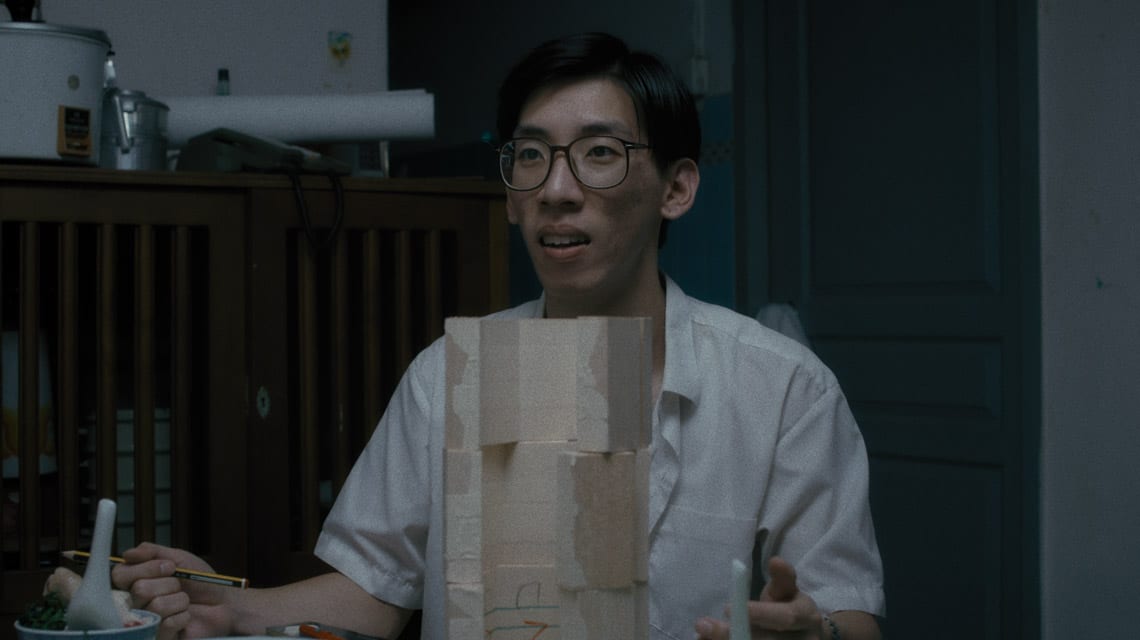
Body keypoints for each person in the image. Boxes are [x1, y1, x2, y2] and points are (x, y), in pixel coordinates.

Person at [112, 32, 885, 640]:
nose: (556, 190)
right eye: (530, 156)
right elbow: (375, 589)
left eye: (600, 154)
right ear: (510, 196)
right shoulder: (447, 376)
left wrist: (817, 631)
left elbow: (850, 611)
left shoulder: (782, 388)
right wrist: (229, 605)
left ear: (677, 188)